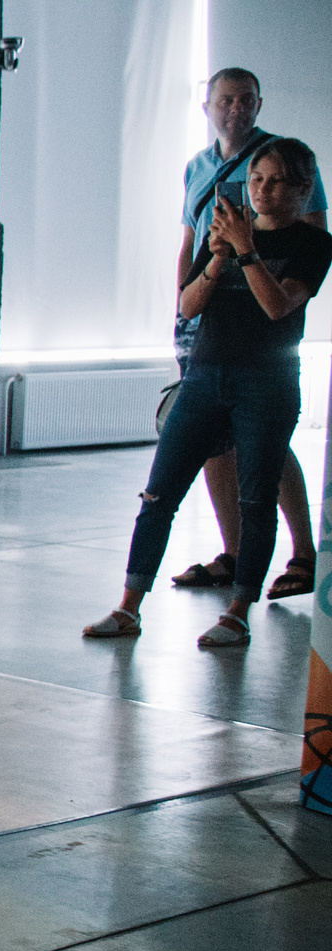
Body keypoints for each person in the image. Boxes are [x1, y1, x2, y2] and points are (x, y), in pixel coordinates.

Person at [87, 138, 330, 651]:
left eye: (279, 181)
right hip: (205, 376)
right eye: (258, 179)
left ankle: (239, 611)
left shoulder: (312, 244)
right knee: (158, 496)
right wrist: (219, 259)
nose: (264, 190)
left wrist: (245, 250)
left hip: (266, 383)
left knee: (256, 499)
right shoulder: (222, 235)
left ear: (304, 189)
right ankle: (128, 606)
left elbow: (278, 306)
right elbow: (190, 304)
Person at [166, 69, 328, 600]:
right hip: (208, 317)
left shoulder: (284, 160)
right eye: (225, 99)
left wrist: (277, 288)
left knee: (266, 438)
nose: (235, 109)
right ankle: (233, 554)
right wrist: (183, 314)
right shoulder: (198, 166)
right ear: (207, 104)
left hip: (265, 323)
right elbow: (190, 241)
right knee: (214, 437)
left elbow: (312, 234)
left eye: (246, 100)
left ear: (260, 104)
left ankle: (303, 554)